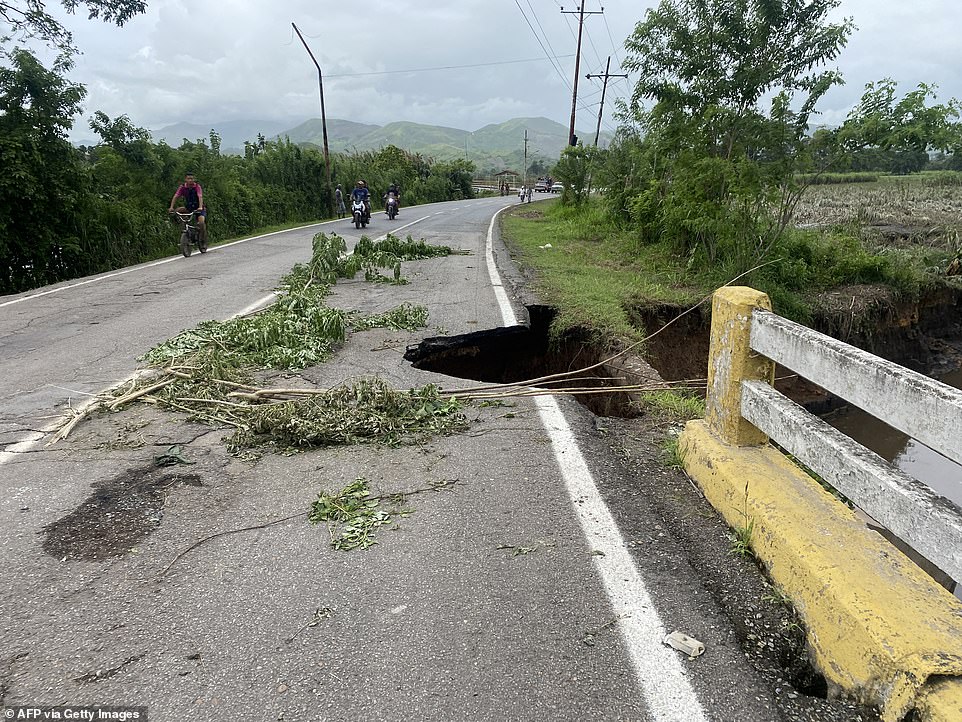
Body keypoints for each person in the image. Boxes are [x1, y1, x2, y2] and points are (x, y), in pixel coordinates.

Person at [168, 173, 207, 240]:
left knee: (201, 222)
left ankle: (202, 238)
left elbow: (200, 196)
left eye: (192, 178)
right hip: (189, 208)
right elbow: (176, 196)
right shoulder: (182, 187)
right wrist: (171, 207)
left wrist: (200, 207)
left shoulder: (197, 187)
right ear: (185, 179)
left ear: (194, 179)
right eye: (188, 178)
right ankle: (182, 227)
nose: (190, 180)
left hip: (198, 208)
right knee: (176, 212)